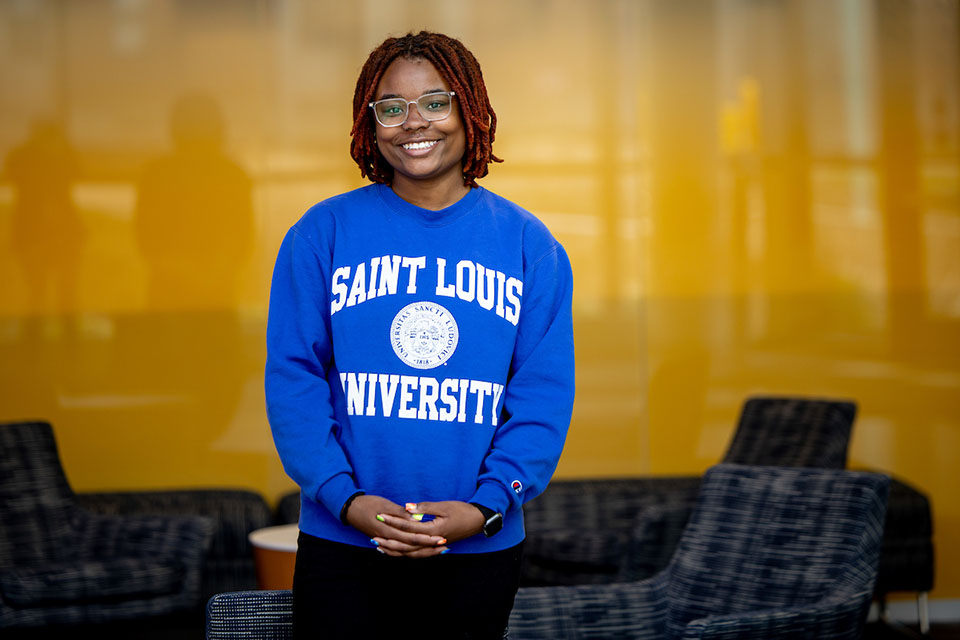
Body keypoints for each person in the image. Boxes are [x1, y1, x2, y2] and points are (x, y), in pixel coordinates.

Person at [265, 31, 575, 639]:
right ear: (370, 122)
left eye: (436, 102)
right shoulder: (320, 234)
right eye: (392, 107)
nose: (414, 122)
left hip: (477, 546)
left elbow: (542, 398)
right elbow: (293, 382)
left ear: (470, 109)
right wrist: (348, 501)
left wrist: (486, 507)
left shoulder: (528, 246)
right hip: (343, 543)